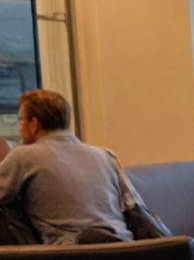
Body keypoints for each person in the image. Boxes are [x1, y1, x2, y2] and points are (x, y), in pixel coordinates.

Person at [0, 89, 152, 245]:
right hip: (127, 253)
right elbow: (134, 207)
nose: (19, 127)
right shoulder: (105, 156)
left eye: (20, 120)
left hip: (72, 257)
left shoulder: (24, 156)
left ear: (34, 124)